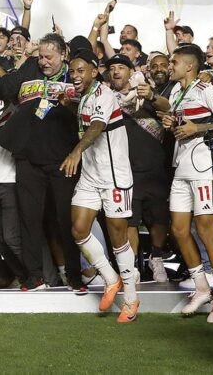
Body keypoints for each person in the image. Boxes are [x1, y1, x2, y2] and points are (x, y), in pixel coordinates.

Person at [140, 43, 213, 322]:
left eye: (174, 61)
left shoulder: (207, 90)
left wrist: (200, 128)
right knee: (179, 230)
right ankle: (201, 287)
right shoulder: (178, 93)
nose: (170, 65)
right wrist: (173, 123)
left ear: (190, 66)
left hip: (206, 167)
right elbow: (182, 126)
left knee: (206, 231)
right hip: (181, 166)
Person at [0, 32, 83, 292]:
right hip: (28, 156)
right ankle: (34, 276)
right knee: (29, 219)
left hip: (63, 159)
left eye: (49, 57)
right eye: (40, 56)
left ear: (63, 55)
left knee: (65, 220)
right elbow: (5, 89)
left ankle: (74, 275)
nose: (43, 62)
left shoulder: (75, 75)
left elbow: (87, 114)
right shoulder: (31, 67)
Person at [60, 51, 139, 323]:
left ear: (94, 72)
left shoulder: (104, 94)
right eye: (72, 71)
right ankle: (110, 278)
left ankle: (131, 298)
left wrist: (75, 152)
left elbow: (96, 126)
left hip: (114, 176)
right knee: (79, 229)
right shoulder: (82, 97)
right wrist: (69, 106)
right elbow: (88, 117)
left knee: (118, 240)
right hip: (92, 176)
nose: (75, 75)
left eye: (81, 70)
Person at [105, 54, 170, 283]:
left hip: (155, 167)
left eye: (121, 67)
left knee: (160, 218)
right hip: (125, 170)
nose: (116, 72)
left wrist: (150, 94)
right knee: (130, 220)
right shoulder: (106, 98)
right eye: (112, 68)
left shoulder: (146, 92)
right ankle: (132, 267)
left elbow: (167, 106)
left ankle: (157, 256)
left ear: (131, 72)